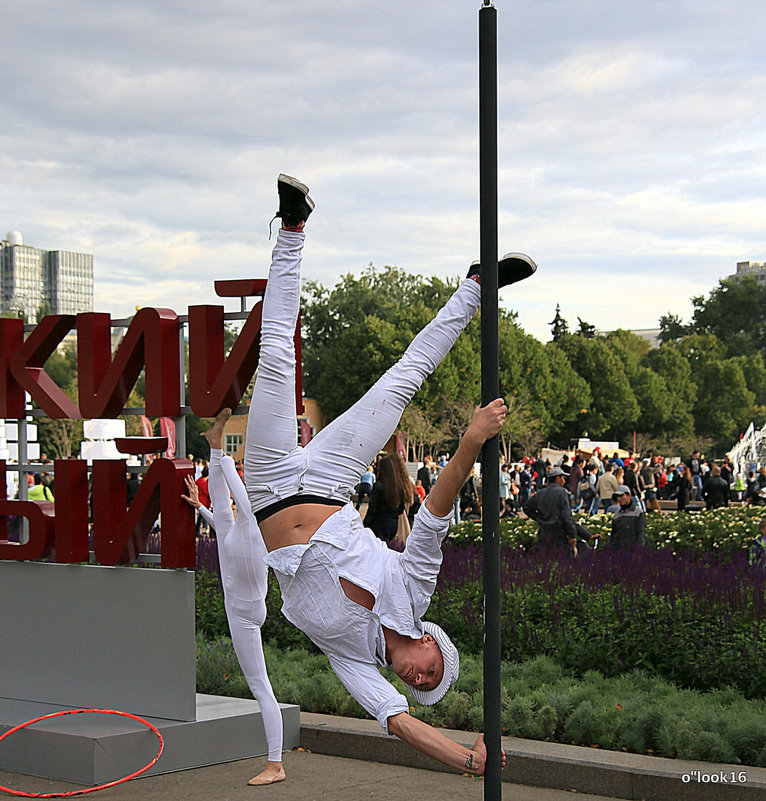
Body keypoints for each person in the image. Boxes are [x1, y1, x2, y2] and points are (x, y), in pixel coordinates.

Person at [243, 175, 535, 774]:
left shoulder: (354, 661)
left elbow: (399, 723)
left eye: (421, 685)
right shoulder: (414, 590)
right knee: (402, 381)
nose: (418, 678)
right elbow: (434, 515)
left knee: (274, 357)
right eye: (432, 670)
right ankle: (476, 288)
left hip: (268, 487)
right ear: (434, 641)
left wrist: (467, 761)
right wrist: (472, 439)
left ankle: (290, 229)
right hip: (329, 482)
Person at [182, 410, 285, 786]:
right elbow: (223, 509)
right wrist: (201, 508)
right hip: (240, 606)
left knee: (261, 687)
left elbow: (236, 494)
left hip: (245, 614)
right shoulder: (237, 527)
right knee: (223, 518)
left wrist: (225, 458)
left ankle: (276, 763)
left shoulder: (253, 526)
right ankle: (213, 443)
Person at [522, 467, 595, 556]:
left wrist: (538, 517)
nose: (564, 481)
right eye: (563, 478)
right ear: (557, 478)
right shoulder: (562, 493)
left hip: (544, 534)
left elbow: (526, 507)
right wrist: (572, 535)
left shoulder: (540, 493)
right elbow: (567, 518)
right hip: (559, 535)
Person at [363, 453, 413, 543]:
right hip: (394, 523)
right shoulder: (399, 486)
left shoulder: (379, 486)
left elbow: (373, 508)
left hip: (380, 522)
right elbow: (401, 508)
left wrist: (366, 523)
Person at [609, 485, 646, 550]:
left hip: (633, 551)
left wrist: (639, 550)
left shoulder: (638, 513)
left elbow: (641, 533)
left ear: (629, 495)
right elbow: (613, 535)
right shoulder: (616, 515)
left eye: (621, 496)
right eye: (617, 497)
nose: (619, 499)